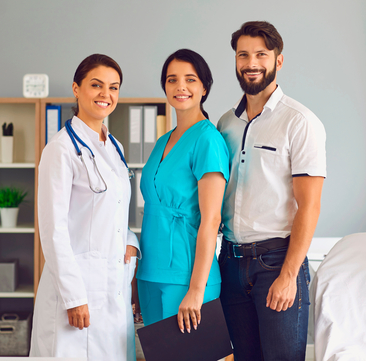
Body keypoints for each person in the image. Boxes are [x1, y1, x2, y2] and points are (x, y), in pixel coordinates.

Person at [216, 21, 326, 361]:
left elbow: (310, 206)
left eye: (261, 55)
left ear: (278, 61)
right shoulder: (225, 124)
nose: (251, 63)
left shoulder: (300, 122)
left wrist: (289, 275)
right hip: (231, 263)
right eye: (243, 55)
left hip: (276, 262)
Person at [30, 54, 140, 360]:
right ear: (77, 89)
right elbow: (53, 230)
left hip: (112, 288)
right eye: (96, 85)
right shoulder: (61, 149)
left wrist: (130, 244)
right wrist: (74, 297)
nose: (106, 94)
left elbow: (115, 214)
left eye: (114, 87)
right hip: (76, 292)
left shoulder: (113, 146)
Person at [137, 49, 229, 333]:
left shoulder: (207, 140)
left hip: (187, 277)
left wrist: (196, 290)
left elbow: (211, 220)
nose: (180, 87)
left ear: (204, 87)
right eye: (172, 79)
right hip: (150, 273)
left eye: (190, 79)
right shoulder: (163, 140)